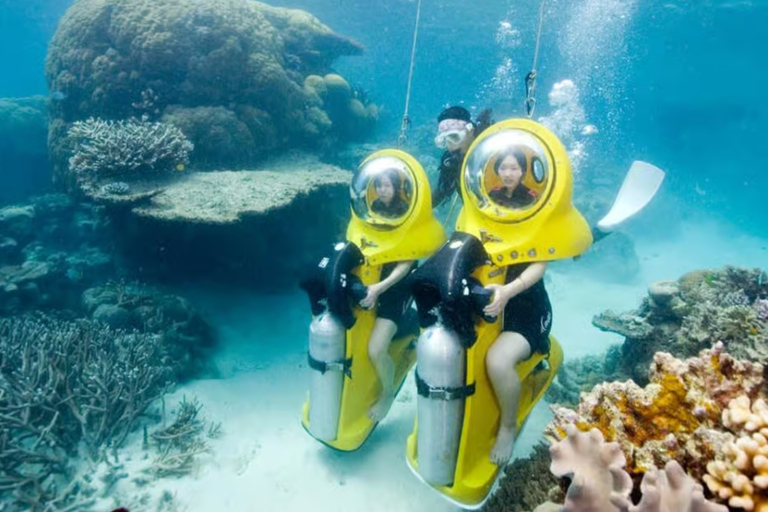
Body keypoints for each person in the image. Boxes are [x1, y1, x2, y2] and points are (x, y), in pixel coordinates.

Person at [480, 147, 552, 466]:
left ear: (523, 171)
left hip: (528, 305)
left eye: (514, 168)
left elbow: (539, 265)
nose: (508, 173)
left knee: (496, 361)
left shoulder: (536, 202)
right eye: (503, 167)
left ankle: (507, 427)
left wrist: (509, 290)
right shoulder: (489, 198)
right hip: (495, 294)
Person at [361, 169, 415, 421]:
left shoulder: (406, 214)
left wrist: (379, 288)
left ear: (398, 188)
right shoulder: (372, 207)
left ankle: (387, 394)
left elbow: (406, 265)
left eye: (388, 186)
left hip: (398, 288)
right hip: (374, 281)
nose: (382, 190)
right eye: (379, 185)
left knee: (375, 349)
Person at [433, 106, 493, 209]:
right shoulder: (449, 161)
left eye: (454, 137)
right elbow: (441, 191)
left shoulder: (491, 146)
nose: (451, 146)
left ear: (470, 131)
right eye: (445, 140)